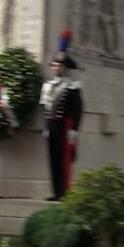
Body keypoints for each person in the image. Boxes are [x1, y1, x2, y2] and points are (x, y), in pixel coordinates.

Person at [39, 30, 82, 201]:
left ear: (65, 68)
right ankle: (56, 191)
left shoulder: (72, 86)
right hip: (52, 125)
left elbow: (78, 109)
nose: (57, 68)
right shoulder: (47, 86)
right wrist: (45, 126)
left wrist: (75, 129)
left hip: (65, 125)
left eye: (60, 66)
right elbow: (45, 107)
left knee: (64, 160)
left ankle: (65, 191)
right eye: (54, 65)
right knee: (53, 159)